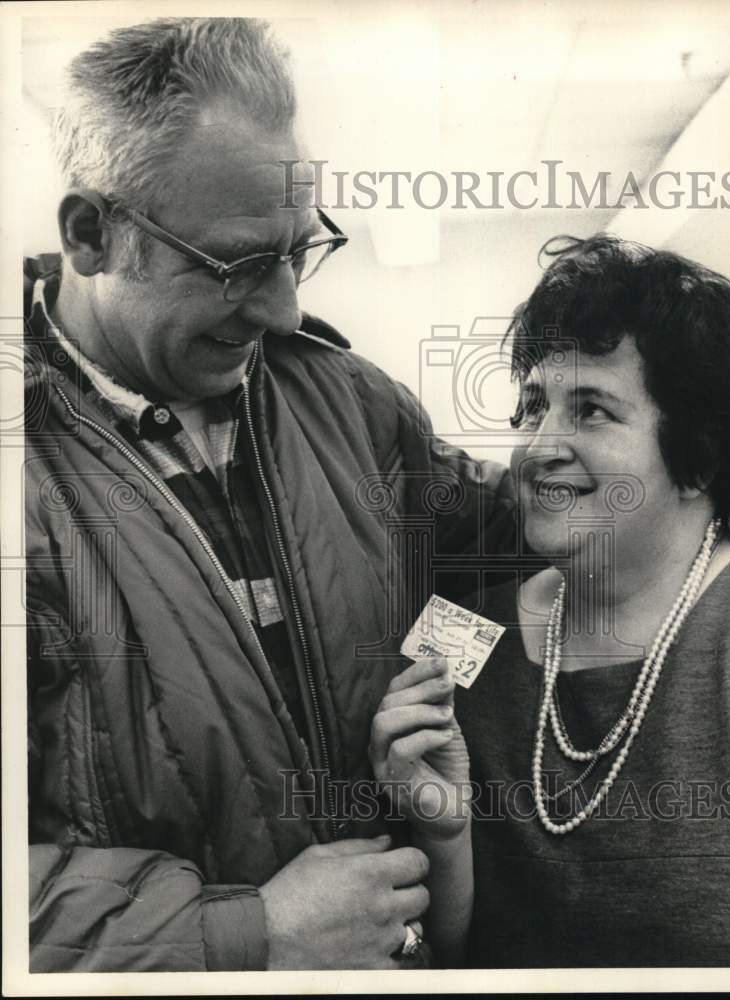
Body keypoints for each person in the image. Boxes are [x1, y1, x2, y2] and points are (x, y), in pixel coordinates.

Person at [24, 17, 520, 971]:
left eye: (299, 251)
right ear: (92, 235)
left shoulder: (349, 403)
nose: (285, 307)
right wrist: (247, 936)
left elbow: (510, 539)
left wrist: (716, 486)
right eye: (239, 264)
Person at [372, 234, 730, 967]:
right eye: (536, 405)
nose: (540, 444)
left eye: (592, 411)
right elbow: (448, 965)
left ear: (697, 456)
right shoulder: (457, 634)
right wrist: (444, 835)